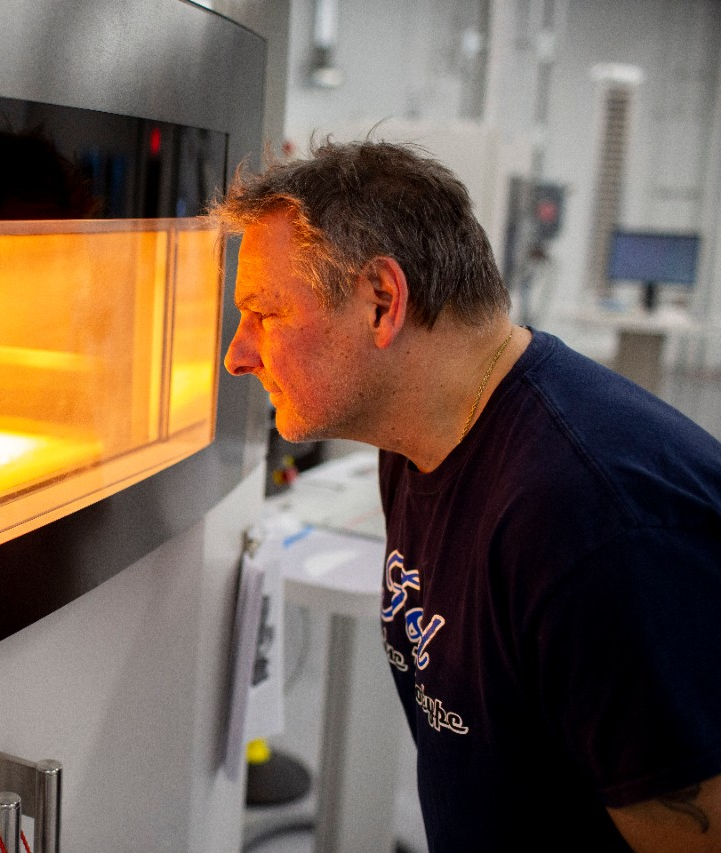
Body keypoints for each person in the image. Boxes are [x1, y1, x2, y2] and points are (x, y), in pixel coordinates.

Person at [213, 139, 721, 852]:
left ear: (382, 301)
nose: (237, 353)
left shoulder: (591, 523)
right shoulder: (415, 442)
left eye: (264, 312)